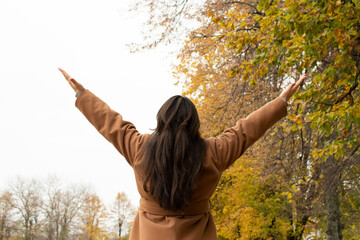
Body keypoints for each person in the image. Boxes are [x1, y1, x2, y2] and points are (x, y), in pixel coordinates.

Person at [59, 68, 306, 240]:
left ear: (161, 120)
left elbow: (110, 124)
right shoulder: (213, 152)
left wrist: (82, 94)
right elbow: (246, 131)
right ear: (195, 124)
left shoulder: (140, 148)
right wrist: (281, 100)